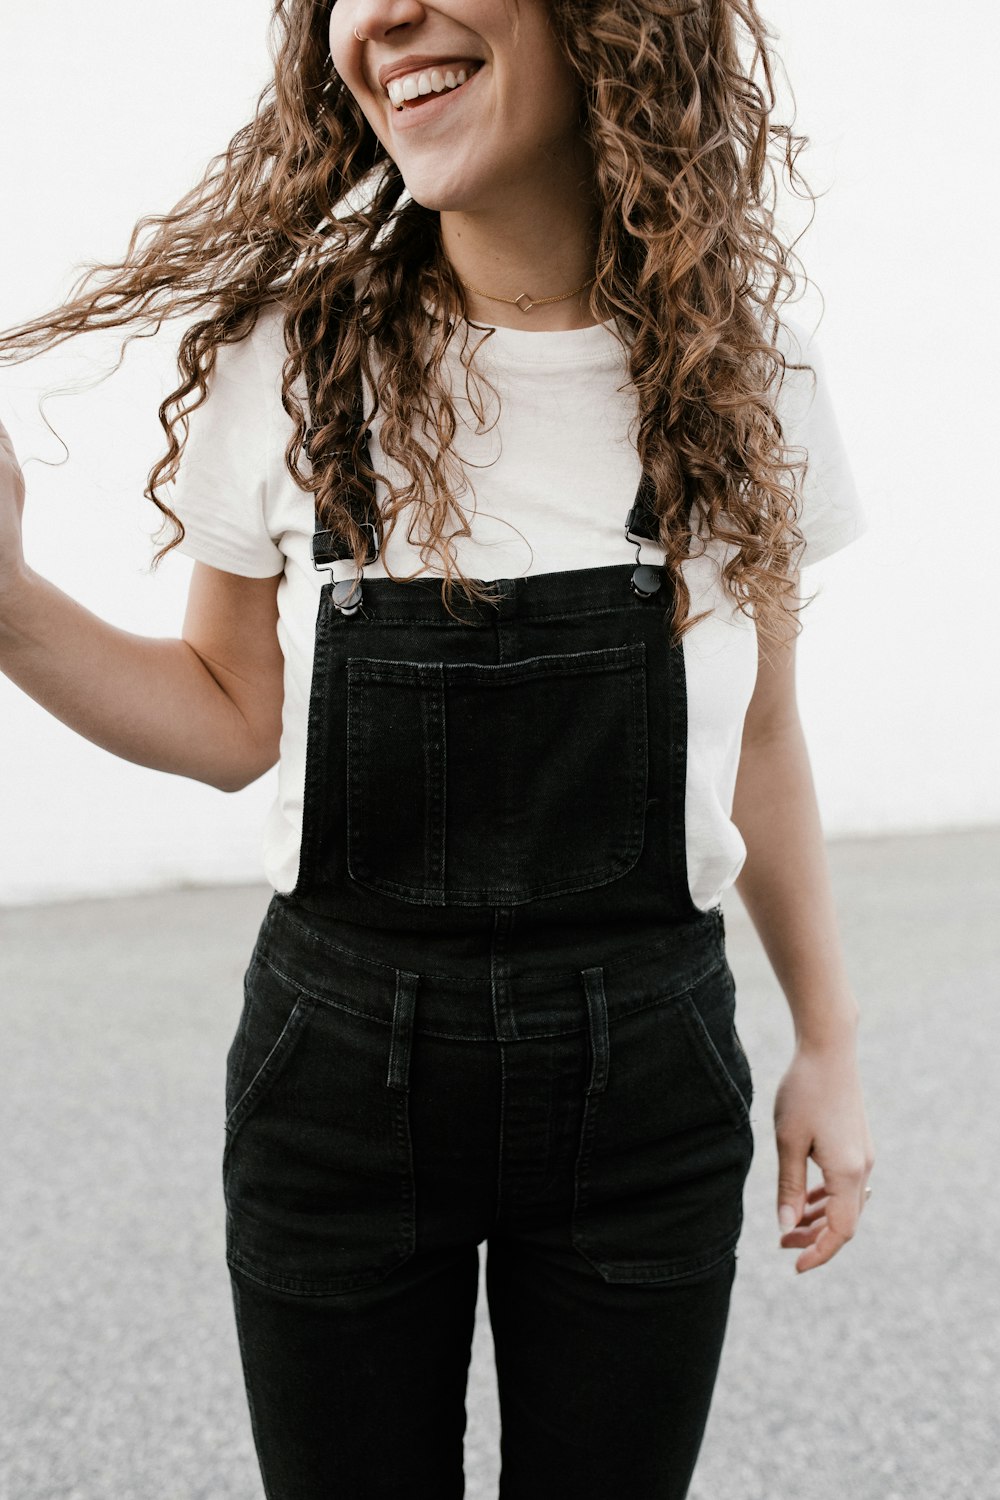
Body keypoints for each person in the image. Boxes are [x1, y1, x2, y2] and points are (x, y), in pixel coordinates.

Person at [0, 1, 876, 1495]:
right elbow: (228, 717)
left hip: (645, 1081)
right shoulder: (294, 363)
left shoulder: (743, 377)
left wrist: (831, 1048)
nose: (382, 13)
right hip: (339, 1070)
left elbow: (763, 736)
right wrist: (9, 608)